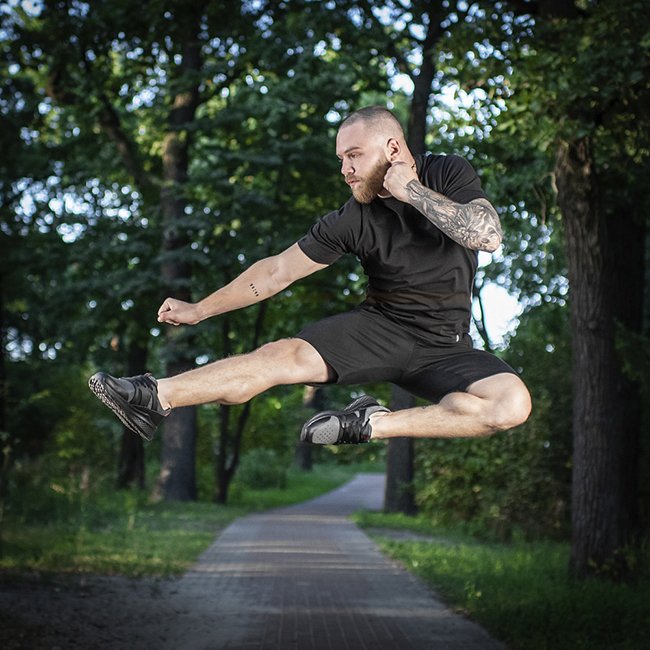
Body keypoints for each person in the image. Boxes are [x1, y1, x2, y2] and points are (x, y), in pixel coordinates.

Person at [89, 106, 531, 445]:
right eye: (341, 159)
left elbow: (487, 236)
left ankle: (371, 424)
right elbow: (276, 271)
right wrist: (200, 310)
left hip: (446, 346)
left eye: (354, 156)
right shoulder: (352, 218)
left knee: (511, 404)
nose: (345, 170)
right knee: (283, 357)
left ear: (394, 150)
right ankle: (153, 394)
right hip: (382, 329)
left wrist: (411, 191)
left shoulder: (447, 172)